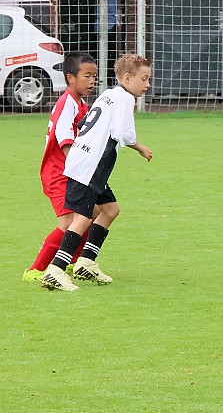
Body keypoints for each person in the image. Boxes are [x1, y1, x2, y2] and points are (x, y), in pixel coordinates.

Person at [41, 53, 154, 291]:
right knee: (82, 218)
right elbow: (123, 133)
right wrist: (139, 146)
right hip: (88, 166)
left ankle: (85, 263)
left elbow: (86, 125)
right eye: (144, 79)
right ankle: (56, 269)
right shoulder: (124, 98)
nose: (147, 85)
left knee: (111, 210)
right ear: (127, 77)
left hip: (87, 163)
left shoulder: (109, 94)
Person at [22, 52, 98, 283]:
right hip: (59, 173)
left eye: (94, 76)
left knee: (92, 214)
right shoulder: (67, 104)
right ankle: (36, 269)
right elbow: (65, 143)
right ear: (70, 78)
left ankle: (72, 263)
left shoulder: (80, 104)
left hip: (71, 171)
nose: (92, 81)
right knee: (68, 223)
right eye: (87, 76)